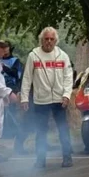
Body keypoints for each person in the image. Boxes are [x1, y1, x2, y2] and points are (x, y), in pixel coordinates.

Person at [20, 26, 74, 169]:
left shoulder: (63, 56)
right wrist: (24, 98)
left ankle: (67, 157)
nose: (49, 42)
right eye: (46, 39)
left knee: (63, 129)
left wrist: (67, 95)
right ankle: (40, 159)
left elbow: (69, 77)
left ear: (56, 40)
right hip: (41, 100)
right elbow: (27, 78)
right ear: (41, 40)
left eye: (51, 39)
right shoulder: (33, 56)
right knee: (41, 131)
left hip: (59, 99)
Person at [1, 44, 27, 154]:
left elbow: (17, 74)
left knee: (12, 115)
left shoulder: (15, 61)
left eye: (6, 49)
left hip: (12, 89)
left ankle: (15, 135)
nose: (4, 51)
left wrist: (3, 68)